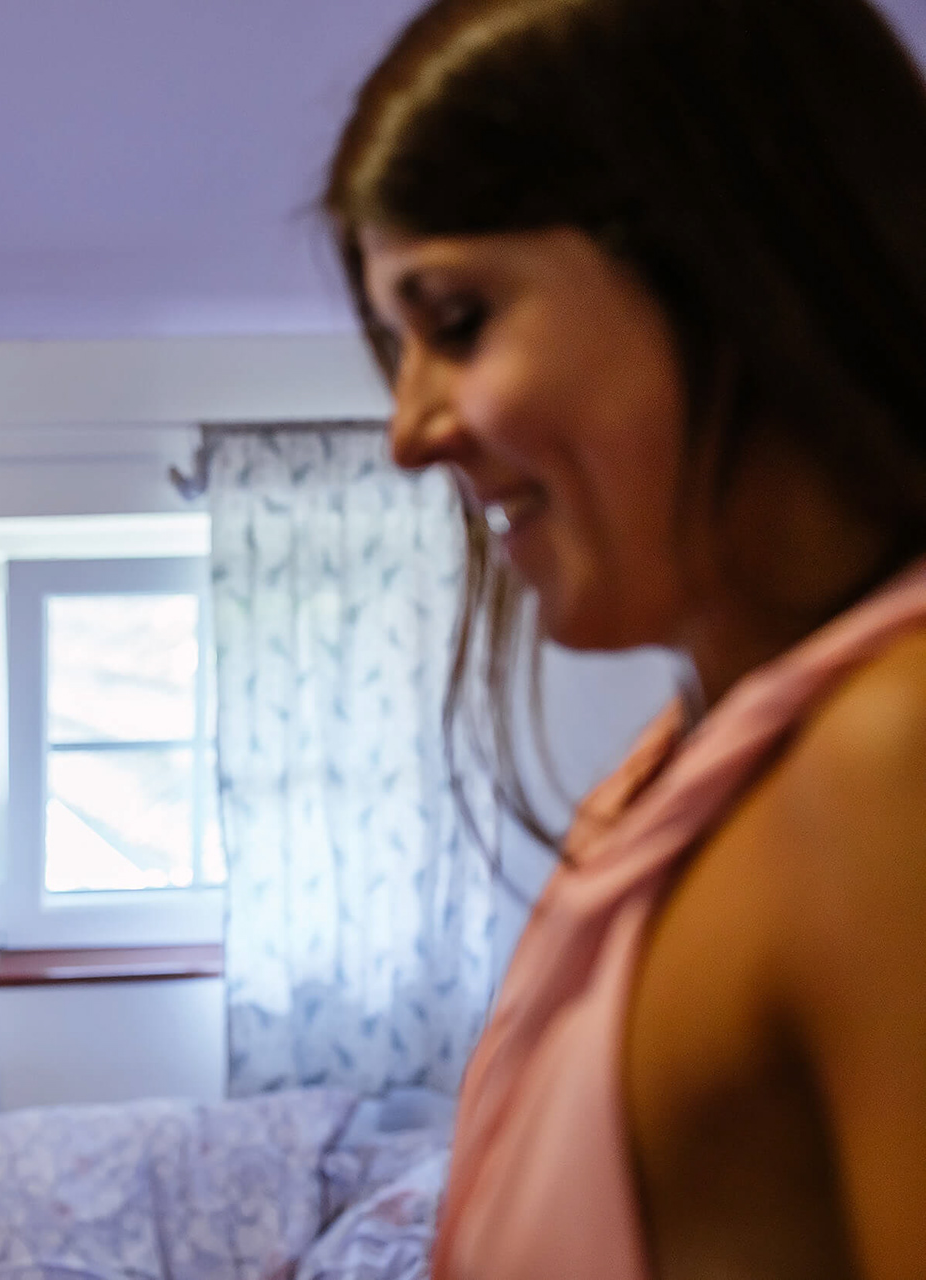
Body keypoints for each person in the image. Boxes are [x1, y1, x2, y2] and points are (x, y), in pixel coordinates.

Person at [325, 1, 926, 1277]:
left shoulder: (894, 756)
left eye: (459, 319)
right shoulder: (684, 767)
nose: (409, 429)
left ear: (732, 259)